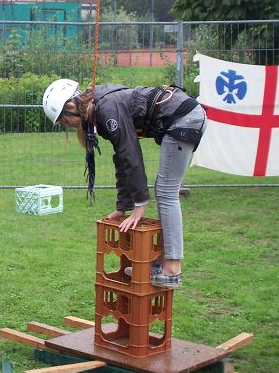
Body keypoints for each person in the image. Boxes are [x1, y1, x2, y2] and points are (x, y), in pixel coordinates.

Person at [43, 79, 207, 289]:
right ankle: (161, 263)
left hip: (184, 119)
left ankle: (172, 269)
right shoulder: (100, 109)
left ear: (71, 107)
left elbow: (131, 154)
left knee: (166, 192)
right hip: (184, 117)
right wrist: (123, 206)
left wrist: (139, 204)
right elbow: (121, 157)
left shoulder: (106, 108)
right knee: (165, 190)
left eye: (65, 121)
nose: (69, 126)